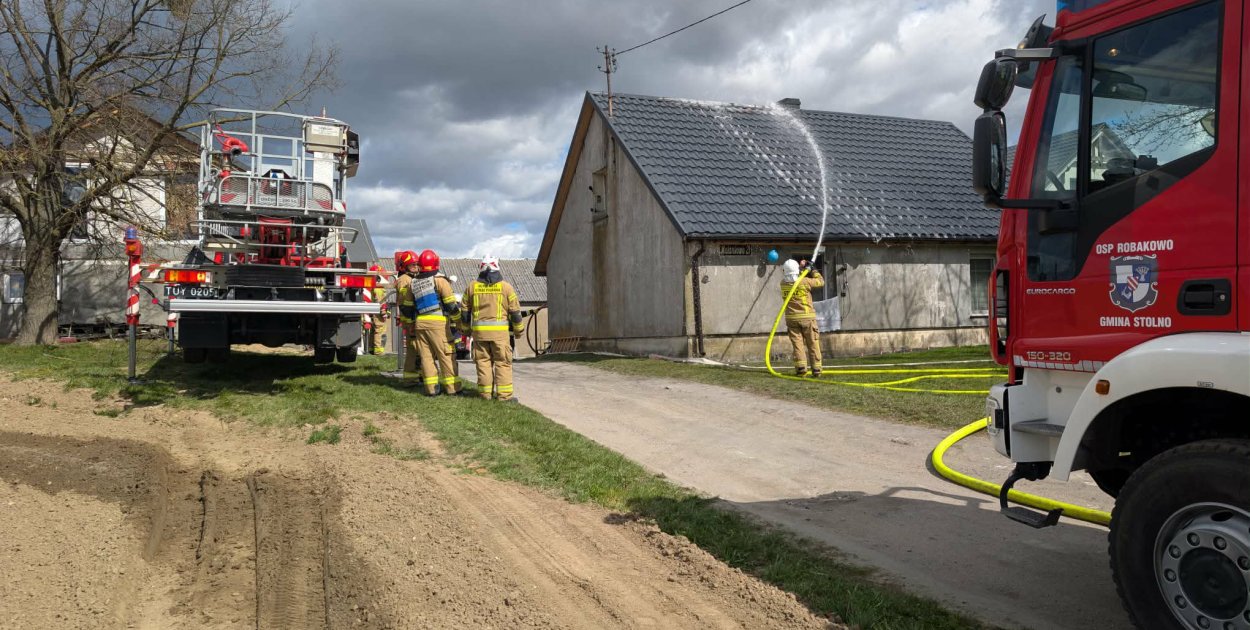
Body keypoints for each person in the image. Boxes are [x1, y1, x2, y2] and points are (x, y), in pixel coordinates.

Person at [461, 255, 522, 401]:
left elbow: (464, 311)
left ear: (481, 267)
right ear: (497, 267)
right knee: (503, 363)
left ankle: (485, 395)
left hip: (480, 335)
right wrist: (519, 331)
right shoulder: (506, 287)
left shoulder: (472, 287)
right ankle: (504, 397)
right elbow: (515, 313)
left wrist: (466, 330)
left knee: (483, 364)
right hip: (500, 336)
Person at [409, 250, 461, 396]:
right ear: (436, 264)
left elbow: (408, 306)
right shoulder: (440, 281)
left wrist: (410, 324)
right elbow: (451, 305)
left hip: (420, 324)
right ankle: (453, 389)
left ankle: (431, 389)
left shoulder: (413, 282)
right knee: (446, 354)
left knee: (426, 357)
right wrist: (459, 322)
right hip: (438, 324)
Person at [780, 258, 824, 377]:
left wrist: (802, 269)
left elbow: (792, 277)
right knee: (812, 343)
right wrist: (812, 269)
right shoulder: (804, 282)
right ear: (797, 270)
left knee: (798, 345)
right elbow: (820, 281)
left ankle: (801, 368)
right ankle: (816, 369)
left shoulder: (783, 283)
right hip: (807, 318)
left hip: (791, 319)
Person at [393, 250, 423, 385]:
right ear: (404, 267)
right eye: (412, 265)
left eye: (417, 265)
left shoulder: (410, 278)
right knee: (413, 350)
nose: (416, 267)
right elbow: (406, 301)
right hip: (410, 320)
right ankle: (411, 379)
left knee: (418, 350)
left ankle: (419, 375)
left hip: (413, 319)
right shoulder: (405, 279)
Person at [367, 264, 389, 355]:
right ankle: (378, 350)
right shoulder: (379, 288)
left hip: (373, 311)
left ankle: (372, 348)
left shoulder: (372, 287)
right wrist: (384, 313)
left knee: (373, 331)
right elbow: (381, 302)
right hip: (378, 313)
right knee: (379, 330)